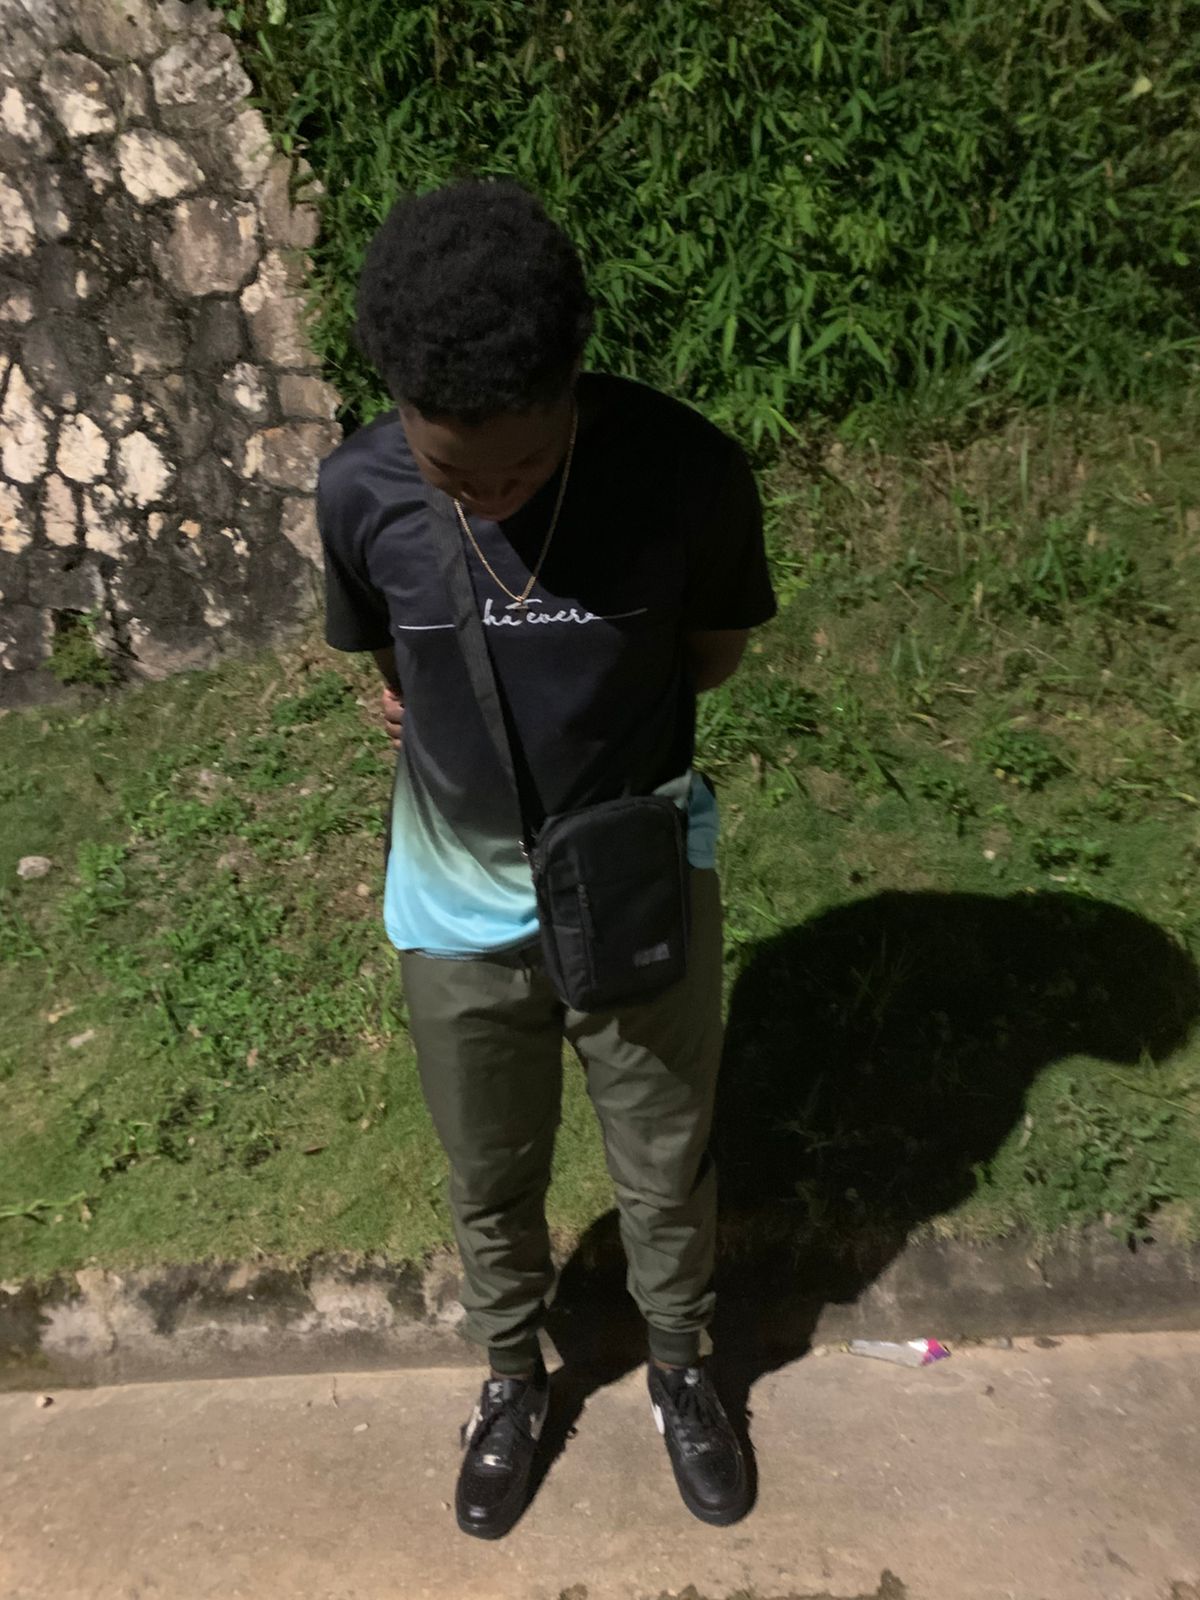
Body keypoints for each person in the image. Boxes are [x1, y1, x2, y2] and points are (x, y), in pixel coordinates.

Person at [316, 178, 776, 1539]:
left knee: (664, 1154)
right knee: (489, 1170)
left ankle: (683, 1367)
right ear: (400, 408)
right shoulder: (359, 490)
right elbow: (387, 664)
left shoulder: (686, 472)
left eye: (519, 470)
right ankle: (512, 1379)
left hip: (637, 882)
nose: (490, 497)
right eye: (456, 474)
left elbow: (711, 656)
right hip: (452, 904)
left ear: (574, 380)